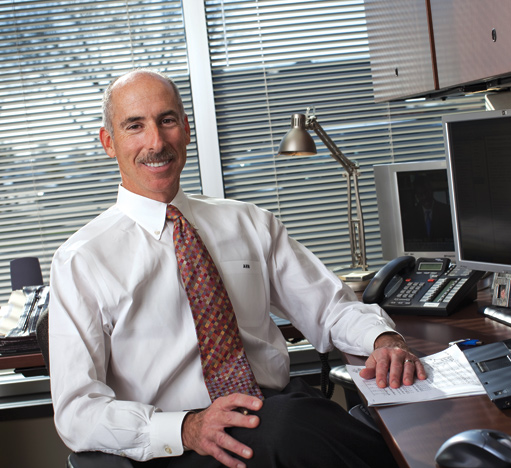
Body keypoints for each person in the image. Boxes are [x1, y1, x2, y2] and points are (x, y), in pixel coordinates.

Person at [49, 68, 427, 468]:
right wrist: (187, 428)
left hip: (280, 410)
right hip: (184, 445)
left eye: (167, 120)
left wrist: (384, 340)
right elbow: (77, 411)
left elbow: (330, 308)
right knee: (314, 430)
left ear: (186, 129)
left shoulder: (248, 222)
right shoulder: (81, 260)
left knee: (391, 421)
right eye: (135, 126)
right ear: (109, 142)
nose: (156, 142)